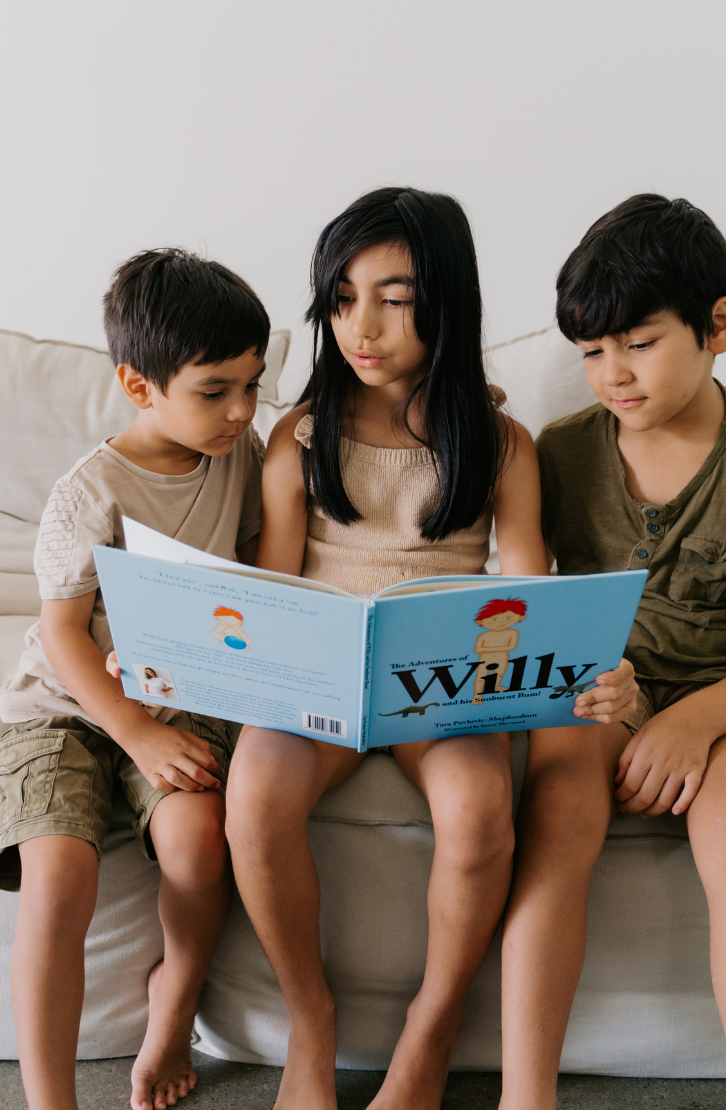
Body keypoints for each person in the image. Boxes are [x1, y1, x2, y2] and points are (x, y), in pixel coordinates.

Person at [223, 186, 638, 1110]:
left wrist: (582, 667)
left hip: (440, 681)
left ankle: (432, 1026)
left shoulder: (498, 444)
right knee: (253, 801)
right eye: (341, 299)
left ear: (446, 302)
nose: (361, 326)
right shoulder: (297, 436)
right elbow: (272, 589)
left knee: (482, 808)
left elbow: (533, 596)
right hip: (323, 674)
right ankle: (311, 1023)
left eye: (395, 298)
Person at [498, 194, 726, 1110]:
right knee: (560, 802)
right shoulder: (565, 453)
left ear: (717, 326)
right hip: (606, 688)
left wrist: (690, 722)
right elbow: (537, 594)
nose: (613, 373)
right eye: (592, 351)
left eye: (639, 343)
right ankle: (522, 1095)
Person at [0, 248, 269, 1110]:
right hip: (69, 704)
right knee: (57, 877)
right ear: (139, 384)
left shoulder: (243, 452)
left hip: (182, 686)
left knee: (196, 844)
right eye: (215, 390)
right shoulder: (91, 493)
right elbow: (62, 634)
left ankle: (173, 1006)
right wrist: (137, 734)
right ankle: (51, 1099)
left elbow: (262, 550)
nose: (239, 411)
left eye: (252, 386)